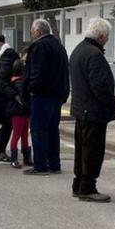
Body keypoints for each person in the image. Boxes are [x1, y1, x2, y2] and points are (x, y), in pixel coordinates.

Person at [69, 18, 115, 202]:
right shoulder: (94, 55)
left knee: (81, 150)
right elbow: (99, 85)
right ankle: (87, 187)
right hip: (93, 111)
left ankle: (78, 184)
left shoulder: (78, 50)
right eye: (106, 37)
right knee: (93, 151)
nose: (107, 41)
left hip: (81, 108)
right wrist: (111, 102)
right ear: (101, 36)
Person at [23, 19, 69, 176]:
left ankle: (41, 165)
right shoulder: (59, 46)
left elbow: (37, 72)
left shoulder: (39, 46)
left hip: (42, 94)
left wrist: (31, 89)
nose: (32, 34)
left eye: (32, 31)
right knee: (52, 130)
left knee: (38, 130)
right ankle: (54, 163)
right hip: (57, 94)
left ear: (37, 31)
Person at [0, 45, 21, 164]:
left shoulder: (2, 63)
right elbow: (1, 83)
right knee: (7, 125)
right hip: (4, 100)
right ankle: (0, 152)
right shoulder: (7, 66)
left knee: (5, 126)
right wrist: (14, 95)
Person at [6, 59, 31, 169]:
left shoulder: (13, 81)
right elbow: (23, 96)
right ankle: (19, 158)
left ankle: (17, 158)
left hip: (19, 111)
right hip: (20, 111)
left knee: (20, 134)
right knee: (21, 134)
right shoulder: (20, 82)